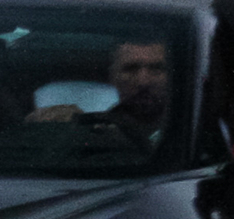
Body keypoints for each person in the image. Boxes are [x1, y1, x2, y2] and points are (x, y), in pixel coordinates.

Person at [29, 39, 171, 148]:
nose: (143, 82)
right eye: (130, 69)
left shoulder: (189, 133)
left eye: (156, 69)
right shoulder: (88, 131)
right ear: (113, 77)